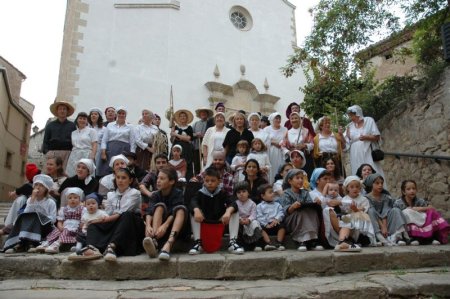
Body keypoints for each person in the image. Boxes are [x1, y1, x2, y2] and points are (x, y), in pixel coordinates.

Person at [69, 167, 144, 261]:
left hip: (131, 225)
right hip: (114, 221)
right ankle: (92, 248)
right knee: (93, 224)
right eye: (118, 177)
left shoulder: (135, 193)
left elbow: (121, 212)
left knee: (126, 215)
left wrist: (101, 220)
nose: (120, 180)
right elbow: (108, 213)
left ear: (130, 180)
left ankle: (112, 247)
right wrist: (96, 221)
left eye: (124, 178)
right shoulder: (111, 195)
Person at [189, 168, 244, 255]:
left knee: (234, 210)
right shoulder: (199, 193)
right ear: (203, 181)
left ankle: (232, 242)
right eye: (207, 180)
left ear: (219, 181)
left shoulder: (222, 192)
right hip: (204, 221)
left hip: (220, 221)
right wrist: (196, 209)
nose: (209, 183)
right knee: (193, 211)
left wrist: (228, 212)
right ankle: (198, 243)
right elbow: (193, 202)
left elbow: (233, 203)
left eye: (213, 180)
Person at [3, 174, 57, 253]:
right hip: (30, 225)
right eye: (36, 185)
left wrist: (40, 217)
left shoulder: (50, 202)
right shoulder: (30, 200)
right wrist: (32, 200)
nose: (38, 187)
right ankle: (22, 243)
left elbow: (53, 219)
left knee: (35, 216)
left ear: (46, 189)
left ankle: (32, 243)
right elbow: (26, 213)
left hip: (43, 227)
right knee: (24, 217)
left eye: (41, 185)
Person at [143, 166, 187, 260]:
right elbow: (149, 211)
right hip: (158, 230)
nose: (158, 181)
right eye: (158, 178)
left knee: (181, 209)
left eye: (162, 178)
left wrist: (165, 225)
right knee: (159, 206)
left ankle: (168, 245)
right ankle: (154, 241)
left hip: (174, 229)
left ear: (171, 181)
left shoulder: (178, 193)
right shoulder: (155, 194)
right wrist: (148, 226)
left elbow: (174, 211)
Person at [394, 180, 449, 245]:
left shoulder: (419, 201)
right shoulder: (398, 203)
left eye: (413, 188)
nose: (412, 191)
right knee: (407, 212)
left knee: (431, 212)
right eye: (408, 189)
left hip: (421, 223)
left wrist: (419, 208)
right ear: (404, 192)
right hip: (406, 226)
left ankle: (430, 237)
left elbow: (431, 208)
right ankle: (412, 238)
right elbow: (396, 215)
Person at [279, 169, 323, 251]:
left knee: (312, 212)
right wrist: (292, 206)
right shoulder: (286, 193)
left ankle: (313, 239)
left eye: (302, 178)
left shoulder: (305, 192)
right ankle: (302, 240)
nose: (300, 180)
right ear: (290, 181)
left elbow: (310, 204)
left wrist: (316, 202)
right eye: (297, 178)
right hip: (291, 219)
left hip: (305, 216)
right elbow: (286, 211)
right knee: (302, 213)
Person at [33, 187, 85, 254]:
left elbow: (84, 220)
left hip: (75, 229)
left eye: (75, 198)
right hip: (65, 227)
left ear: (79, 199)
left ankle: (56, 245)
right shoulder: (64, 209)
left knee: (66, 231)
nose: (73, 200)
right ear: (67, 199)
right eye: (70, 198)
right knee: (56, 231)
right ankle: (47, 243)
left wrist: (81, 226)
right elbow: (60, 221)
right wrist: (60, 226)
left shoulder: (82, 209)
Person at [364, 173, 409, 246]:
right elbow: (373, 213)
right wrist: (382, 227)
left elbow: (386, 210)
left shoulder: (386, 197)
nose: (380, 185)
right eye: (377, 183)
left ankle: (398, 237)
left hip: (386, 223)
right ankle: (379, 237)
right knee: (370, 211)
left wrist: (384, 226)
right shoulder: (366, 198)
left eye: (382, 183)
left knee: (395, 210)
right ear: (371, 184)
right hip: (375, 223)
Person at [334, 176, 376, 251]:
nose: (355, 189)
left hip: (360, 219)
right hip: (348, 218)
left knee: (353, 218)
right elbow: (343, 211)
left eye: (357, 187)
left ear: (360, 188)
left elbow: (363, 209)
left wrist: (355, 209)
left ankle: (355, 239)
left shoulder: (363, 199)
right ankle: (343, 240)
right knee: (346, 219)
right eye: (352, 187)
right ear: (347, 188)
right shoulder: (345, 199)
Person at [1, 164, 41, 236]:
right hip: (28, 211)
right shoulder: (31, 186)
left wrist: (12, 194)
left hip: (30, 213)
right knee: (20, 200)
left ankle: (8, 226)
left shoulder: (27, 186)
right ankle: (9, 226)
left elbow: (14, 193)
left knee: (20, 200)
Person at [345, 105, 385, 178]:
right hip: (355, 154)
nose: (351, 118)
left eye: (352, 115)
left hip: (368, 152)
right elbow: (346, 143)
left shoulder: (369, 120)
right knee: (358, 171)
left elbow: (377, 136)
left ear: (357, 114)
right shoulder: (350, 126)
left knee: (371, 169)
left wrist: (367, 137)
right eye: (350, 116)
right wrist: (343, 135)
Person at [101, 106, 136, 174]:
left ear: (125, 115)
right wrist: (103, 152)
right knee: (110, 168)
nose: (121, 115)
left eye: (123, 113)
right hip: (111, 149)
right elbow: (104, 140)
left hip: (124, 150)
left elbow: (132, 142)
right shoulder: (110, 125)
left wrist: (132, 156)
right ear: (116, 114)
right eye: (119, 113)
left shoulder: (130, 126)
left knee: (122, 168)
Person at [43, 101, 76, 169]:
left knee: (65, 175)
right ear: (57, 111)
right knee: (51, 174)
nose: (62, 111)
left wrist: (72, 154)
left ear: (67, 111)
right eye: (60, 109)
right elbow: (45, 141)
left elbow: (75, 141)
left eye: (64, 109)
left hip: (67, 154)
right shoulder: (50, 125)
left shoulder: (72, 126)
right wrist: (47, 152)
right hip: (52, 154)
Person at [66, 112, 98, 177]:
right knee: (72, 174)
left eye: (84, 119)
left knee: (86, 174)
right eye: (80, 118)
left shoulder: (92, 131)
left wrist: (92, 156)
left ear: (87, 121)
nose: (82, 120)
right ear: (77, 120)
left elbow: (94, 144)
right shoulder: (73, 133)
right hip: (74, 155)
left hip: (86, 154)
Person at [283, 111, 314, 178]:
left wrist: (304, 145)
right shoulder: (287, 132)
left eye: (296, 118)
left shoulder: (306, 131)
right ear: (290, 121)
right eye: (292, 118)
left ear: (300, 119)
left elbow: (312, 144)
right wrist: (289, 152)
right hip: (292, 158)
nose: (294, 120)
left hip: (304, 158)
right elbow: (283, 146)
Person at [256, 184, 286, 250]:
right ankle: (268, 243)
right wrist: (266, 224)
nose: (273, 194)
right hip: (266, 226)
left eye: (273, 192)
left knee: (283, 226)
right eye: (270, 192)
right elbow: (259, 216)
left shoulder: (277, 204)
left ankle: (279, 243)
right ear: (263, 196)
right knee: (259, 228)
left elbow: (281, 212)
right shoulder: (259, 206)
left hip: (275, 224)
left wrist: (276, 219)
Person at [234, 181, 263, 250]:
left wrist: (249, 219)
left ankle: (257, 244)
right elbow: (235, 214)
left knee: (255, 223)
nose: (241, 194)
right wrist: (240, 219)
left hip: (250, 221)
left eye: (244, 191)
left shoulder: (252, 203)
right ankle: (241, 245)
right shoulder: (235, 203)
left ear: (248, 193)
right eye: (239, 192)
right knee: (237, 225)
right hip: (240, 221)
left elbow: (254, 213)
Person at [170, 109, 194, 180]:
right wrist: (173, 132)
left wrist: (176, 134)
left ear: (186, 118)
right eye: (181, 116)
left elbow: (188, 138)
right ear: (179, 118)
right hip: (176, 147)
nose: (182, 117)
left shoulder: (189, 128)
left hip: (186, 149)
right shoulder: (175, 127)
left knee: (186, 164)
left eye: (184, 116)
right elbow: (172, 140)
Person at [264, 112, 287, 184]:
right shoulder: (267, 129)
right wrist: (274, 142)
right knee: (271, 169)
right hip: (270, 152)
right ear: (272, 119)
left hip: (280, 152)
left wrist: (281, 143)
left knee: (280, 168)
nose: (278, 120)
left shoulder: (285, 129)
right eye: (276, 118)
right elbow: (264, 140)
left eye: (279, 118)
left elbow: (286, 140)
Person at [192, 107, 213, 174]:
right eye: (202, 112)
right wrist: (196, 134)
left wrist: (204, 135)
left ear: (207, 114)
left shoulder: (210, 124)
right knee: (197, 164)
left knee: (206, 163)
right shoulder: (195, 124)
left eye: (205, 112)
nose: (203, 114)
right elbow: (191, 134)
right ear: (200, 114)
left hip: (207, 147)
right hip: (197, 147)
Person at [87, 108, 105, 178]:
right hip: (87, 150)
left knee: (95, 170)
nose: (93, 116)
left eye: (95, 114)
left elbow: (104, 142)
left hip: (98, 151)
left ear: (99, 117)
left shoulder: (104, 129)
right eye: (92, 114)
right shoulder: (86, 127)